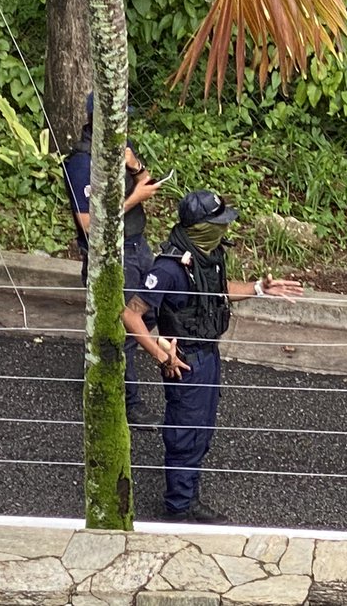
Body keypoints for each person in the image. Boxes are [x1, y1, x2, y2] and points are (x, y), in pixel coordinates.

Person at [123, 189, 304, 524]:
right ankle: (178, 509)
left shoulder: (210, 254)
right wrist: (162, 357)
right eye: (217, 223)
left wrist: (258, 289)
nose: (224, 229)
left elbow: (217, 293)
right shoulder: (169, 268)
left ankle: (187, 496)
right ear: (200, 227)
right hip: (185, 359)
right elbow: (132, 315)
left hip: (209, 353)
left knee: (202, 430)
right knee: (184, 433)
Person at [63, 92, 163, 425]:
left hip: (138, 246)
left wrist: (135, 166)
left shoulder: (123, 147)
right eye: (118, 118)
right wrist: (135, 197)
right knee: (124, 329)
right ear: (99, 120)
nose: (125, 124)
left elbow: (145, 179)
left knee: (148, 315)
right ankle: (127, 401)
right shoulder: (81, 163)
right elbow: (90, 226)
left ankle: (100, 364)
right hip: (110, 255)